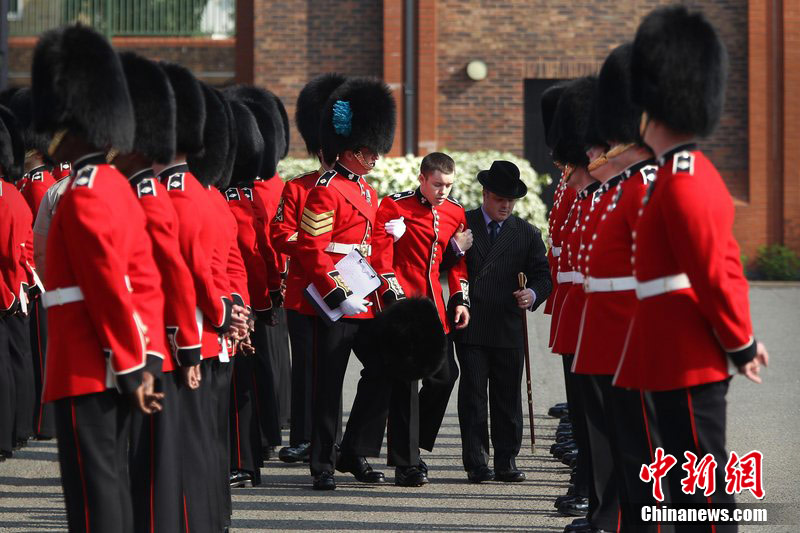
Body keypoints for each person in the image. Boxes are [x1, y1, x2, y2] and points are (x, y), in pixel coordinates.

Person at [615, 7, 768, 532]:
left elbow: (715, 270)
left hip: (685, 357)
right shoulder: (671, 176)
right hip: (666, 352)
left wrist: (740, 341)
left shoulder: (684, 179)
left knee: (702, 505)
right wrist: (740, 337)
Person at [33, 25, 166, 532]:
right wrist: (147, 358)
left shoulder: (84, 190)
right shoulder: (115, 185)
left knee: (93, 499)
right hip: (119, 357)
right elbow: (145, 281)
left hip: (91, 363)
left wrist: (130, 367)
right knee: (109, 487)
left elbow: (109, 285)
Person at [570, 42, 664, 533]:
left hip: (632, 328)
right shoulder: (614, 192)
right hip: (605, 326)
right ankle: (620, 515)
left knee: (645, 440)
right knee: (621, 434)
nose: (592, 154)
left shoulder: (646, 184)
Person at [113, 51, 204, 533]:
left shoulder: (148, 192)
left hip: (157, 345)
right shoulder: (131, 186)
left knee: (152, 467)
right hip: (134, 340)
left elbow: (172, 274)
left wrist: (186, 345)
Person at [291, 77, 396, 490]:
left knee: (385, 368)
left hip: (364, 296)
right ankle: (322, 462)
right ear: (349, 151)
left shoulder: (368, 193)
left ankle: (354, 450)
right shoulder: (324, 190)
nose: (374, 158)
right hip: (334, 300)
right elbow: (311, 247)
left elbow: (373, 246)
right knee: (328, 383)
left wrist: (387, 284)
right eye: (368, 151)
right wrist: (338, 291)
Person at [371, 151, 470, 486]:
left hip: (436, 310)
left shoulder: (455, 212)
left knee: (445, 377)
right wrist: (394, 298)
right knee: (405, 388)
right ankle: (407, 462)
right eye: (437, 184)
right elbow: (380, 256)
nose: (443, 190)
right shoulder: (395, 206)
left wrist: (461, 299)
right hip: (405, 308)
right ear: (422, 179)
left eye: (448, 185)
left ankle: (415, 443)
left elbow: (457, 264)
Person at [454, 160, 551, 483]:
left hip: (509, 326)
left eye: (510, 201)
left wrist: (533, 295)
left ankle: (506, 460)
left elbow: (543, 276)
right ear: (485, 194)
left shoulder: (526, 233)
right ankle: (476, 462)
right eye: (499, 199)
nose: (506, 206)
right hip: (472, 322)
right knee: (474, 396)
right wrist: (456, 249)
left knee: (507, 396)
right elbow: (442, 264)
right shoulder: (463, 225)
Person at [271, 73, 348, 463]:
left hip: (344, 288)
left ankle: (331, 436)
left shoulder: (355, 190)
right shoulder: (298, 188)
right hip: (305, 292)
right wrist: (310, 248)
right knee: (305, 368)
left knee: (334, 368)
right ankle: (303, 436)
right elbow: (280, 234)